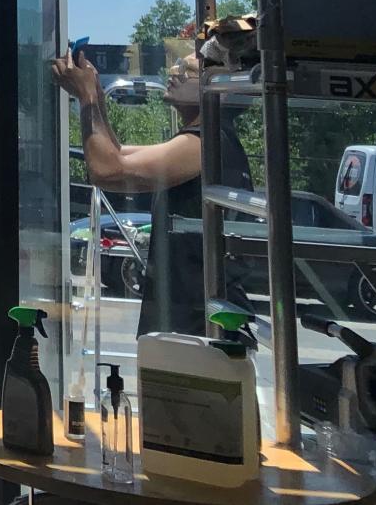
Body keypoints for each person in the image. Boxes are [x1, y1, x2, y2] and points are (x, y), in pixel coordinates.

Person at [50, 49, 253, 335]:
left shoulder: (206, 143)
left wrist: (87, 98)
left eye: (187, 71)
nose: (173, 73)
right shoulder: (206, 139)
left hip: (200, 324)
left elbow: (106, 170)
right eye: (177, 66)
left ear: (221, 92)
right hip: (192, 317)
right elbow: (117, 154)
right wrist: (95, 91)